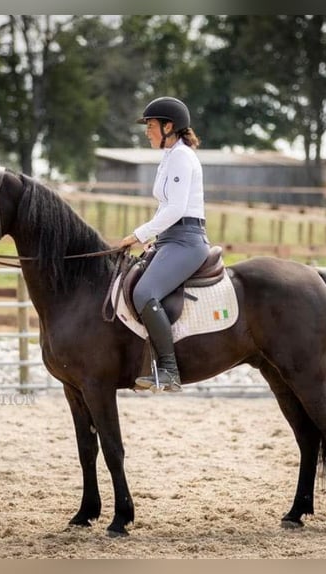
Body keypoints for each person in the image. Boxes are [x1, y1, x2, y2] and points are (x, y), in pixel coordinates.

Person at [119, 96, 210, 391]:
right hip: (170, 238)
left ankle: (169, 370)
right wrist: (153, 240)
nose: (147, 131)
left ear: (169, 126)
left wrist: (138, 234)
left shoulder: (183, 157)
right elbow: (165, 208)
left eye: (151, 125)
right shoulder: (170, 157)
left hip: (187, 240)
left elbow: (176, 209)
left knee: (145, 292)